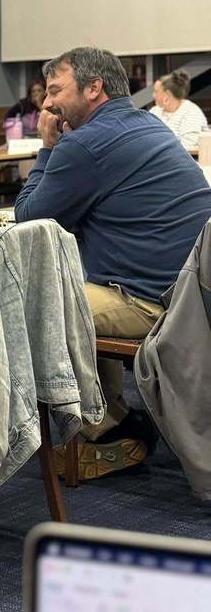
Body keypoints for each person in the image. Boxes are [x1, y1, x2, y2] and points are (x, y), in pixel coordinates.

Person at [14, 47, 211, 477]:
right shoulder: (150, 125)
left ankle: (107, 427)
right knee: (78, 287)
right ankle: (115, 417)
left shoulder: (83, 145)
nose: (46, 104)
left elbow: (28, 219)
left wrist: (48, 147)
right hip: (192, 293)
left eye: (55, 91)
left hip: (157, 304)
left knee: (36, 303)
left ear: (93, 88)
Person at [149, 70, 208, 150]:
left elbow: (187, 145)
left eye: (156, 92)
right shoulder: (155, 111)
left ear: (167, 94)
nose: (153, 96)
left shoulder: (191, 112)